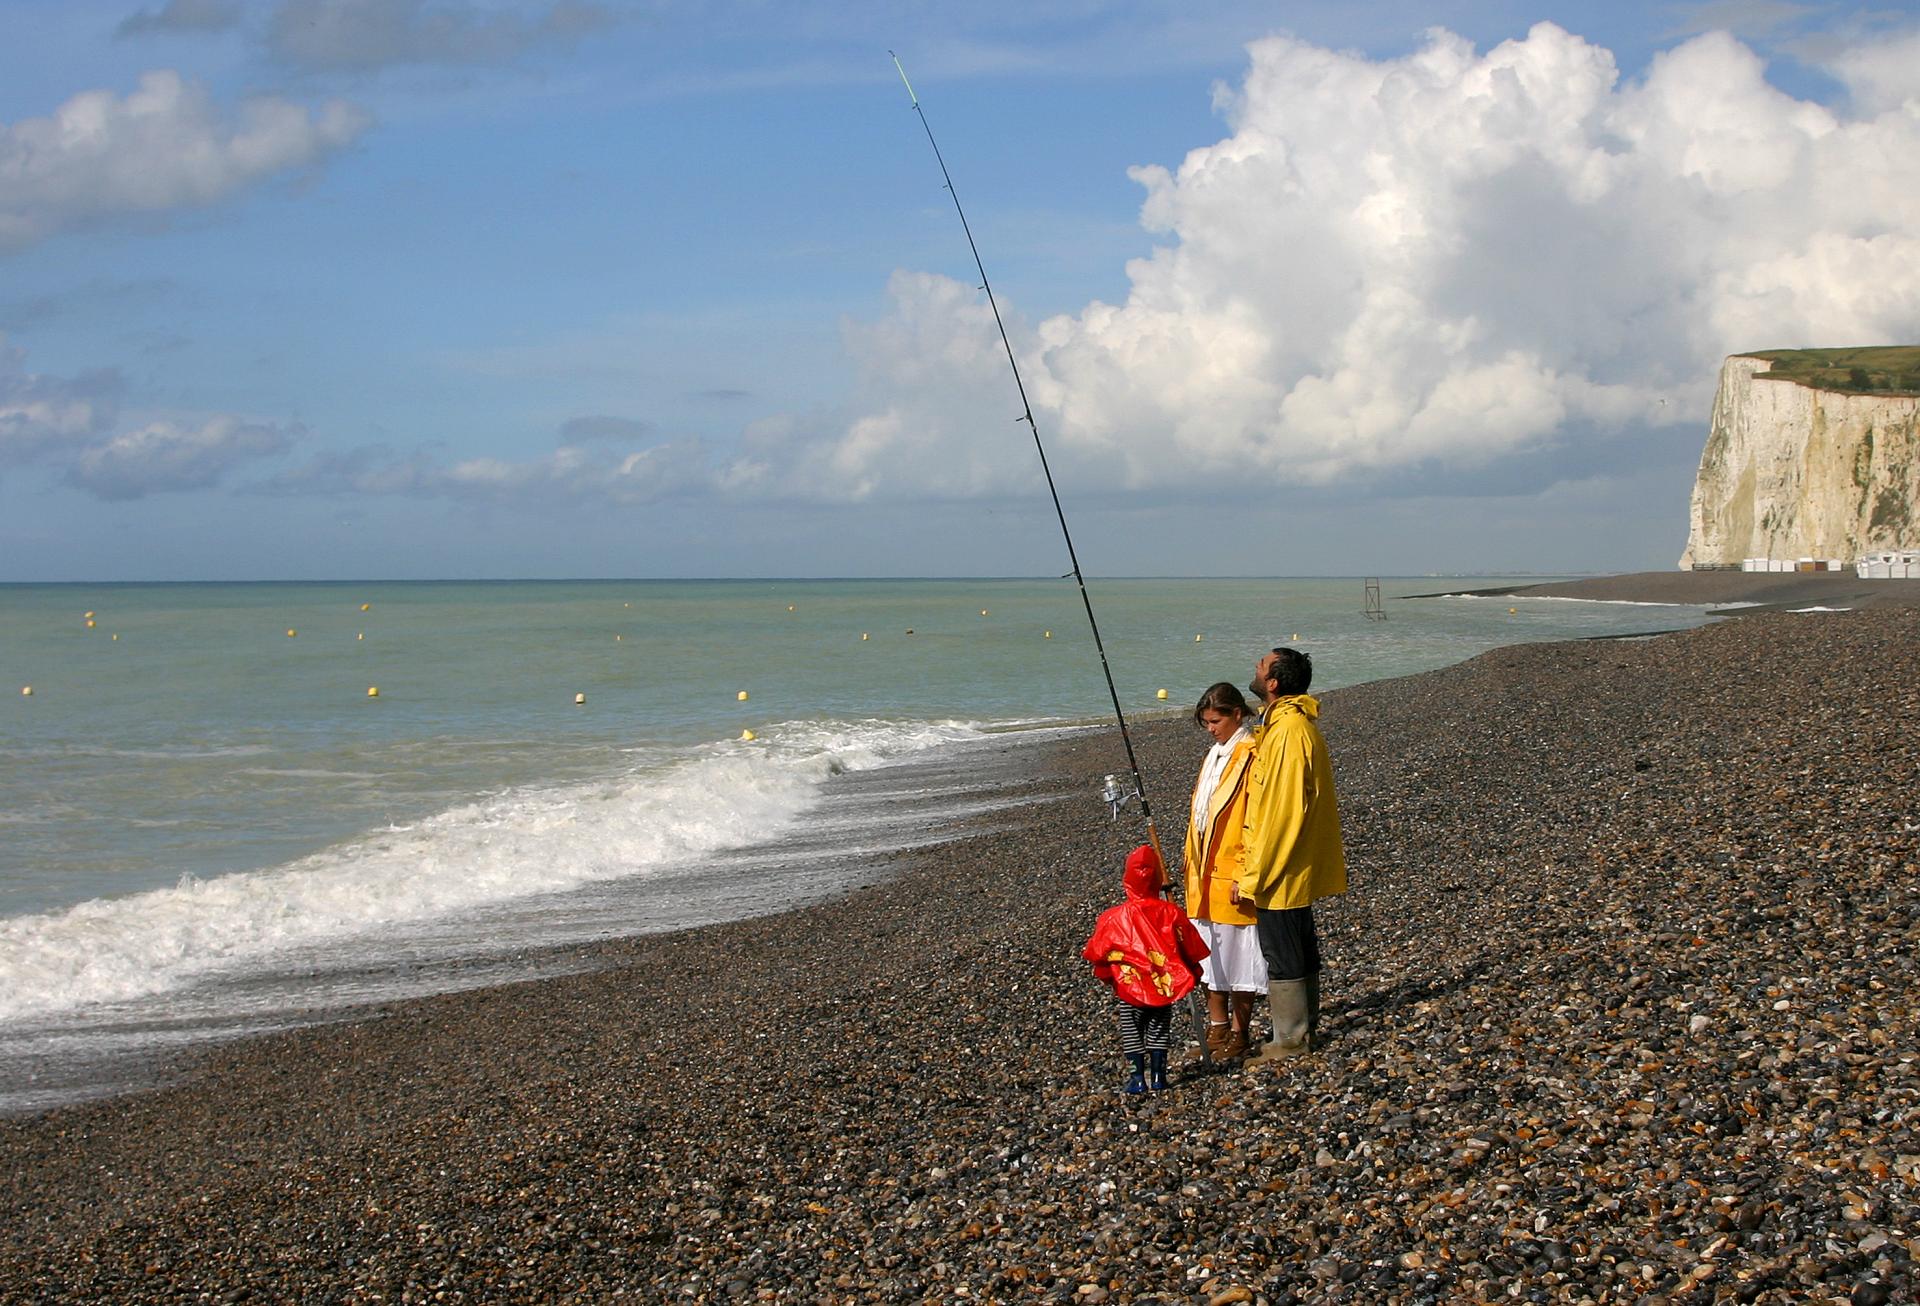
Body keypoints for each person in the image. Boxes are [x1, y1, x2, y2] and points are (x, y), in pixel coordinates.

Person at [1237, 646, 1347, 1061]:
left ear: (1273, 682)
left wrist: (1254, 876)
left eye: (1261, 665)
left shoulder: (1287, 733)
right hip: (1292, 865)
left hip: (1281, 869)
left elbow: (1281, 814)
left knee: (1283, 953)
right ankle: (1301, 1030)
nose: (1255, 666)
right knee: (1298, 946)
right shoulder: (1286, 726)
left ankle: (1290, 1040)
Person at [1180, 681, 1264, 1060]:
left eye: (1215, 721)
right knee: (1208, 953)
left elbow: (1254, 818)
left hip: (1231, 869)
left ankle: (1238, 1031)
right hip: (1202, 871)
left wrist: (1245, 871)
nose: (1211, 729)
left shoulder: (1251, 753)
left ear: (1236, 714)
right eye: (1206, 723)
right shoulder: (1214, 755)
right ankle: (1216, 1029)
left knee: (1239, 955)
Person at [1083, 844, 1209, 1093]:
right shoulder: (1171, 912)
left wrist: (1110, 979)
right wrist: (1192, 973)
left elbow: (1099, 954)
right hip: (1163, 986)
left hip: (1129, 986)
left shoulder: (1113, 917)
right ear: (1158, 880)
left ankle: (1138, 1077)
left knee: (1132, 1029)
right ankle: (1159, 1076)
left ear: (1127, 879)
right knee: (1159, 1028)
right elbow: (1191, 950)